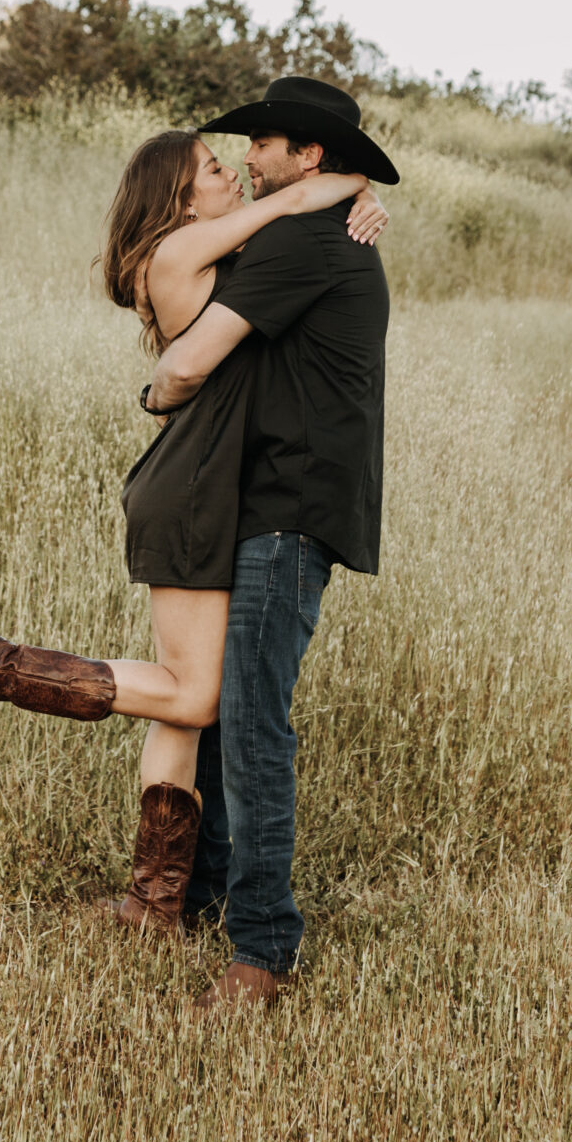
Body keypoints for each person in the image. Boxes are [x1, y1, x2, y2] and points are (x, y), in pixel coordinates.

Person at [0, 117, 387, 945]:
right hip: (193, 487)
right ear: (178, 199)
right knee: (197, 694)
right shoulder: (178, 254)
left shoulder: (200, 253)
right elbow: (193, 350)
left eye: (232, 164)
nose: (232, 176)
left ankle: (155, 902)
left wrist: (353, 193)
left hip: (204, 480)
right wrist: (332, 189)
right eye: (213, 169)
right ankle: (4, 668)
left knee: (181, 709)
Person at [147, 76, 395, 1011]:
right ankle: (203, 892)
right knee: (220, 711)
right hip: (264, 504)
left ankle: (261, 949)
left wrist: (154, 399)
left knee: (251, 724)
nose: (248, 159)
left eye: (263, 146)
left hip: (287, 510)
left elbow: (187, 362)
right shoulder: (309, 225)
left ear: (311, 158)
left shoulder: (301, 242)